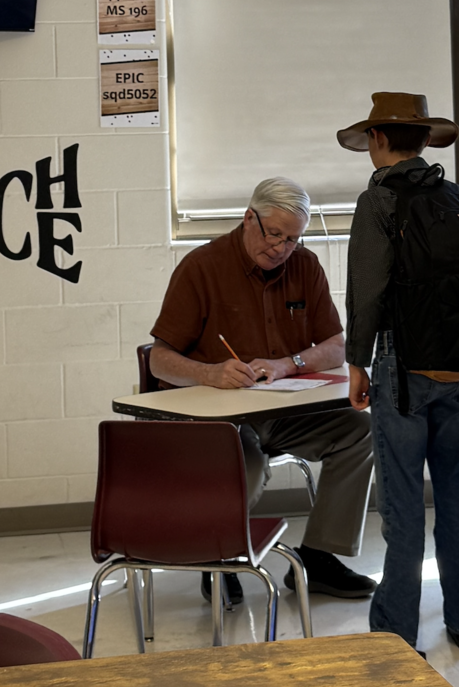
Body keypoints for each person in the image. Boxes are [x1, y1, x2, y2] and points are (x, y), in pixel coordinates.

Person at [150, 176, 376, 605]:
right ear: (248, 218)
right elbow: (159, 359)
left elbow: (336, 346)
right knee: (245, 464)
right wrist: (209, 373)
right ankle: (220, 558)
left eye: (293, 239)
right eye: (274, 235)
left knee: (359, 431)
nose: (281, 249)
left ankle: (318, 558)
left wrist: (287, 364)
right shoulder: (203, 267)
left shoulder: (304, 266)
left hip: (283, 413)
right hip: (222, 421)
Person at [339, 92, 459, 653]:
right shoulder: (456, 196)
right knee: (455, 494)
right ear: (425, 141)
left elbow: (368, 291)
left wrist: (357, 363)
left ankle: (396, 634)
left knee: (402, 503)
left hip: (401, 367)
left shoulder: (378, 201)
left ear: (377, 140)